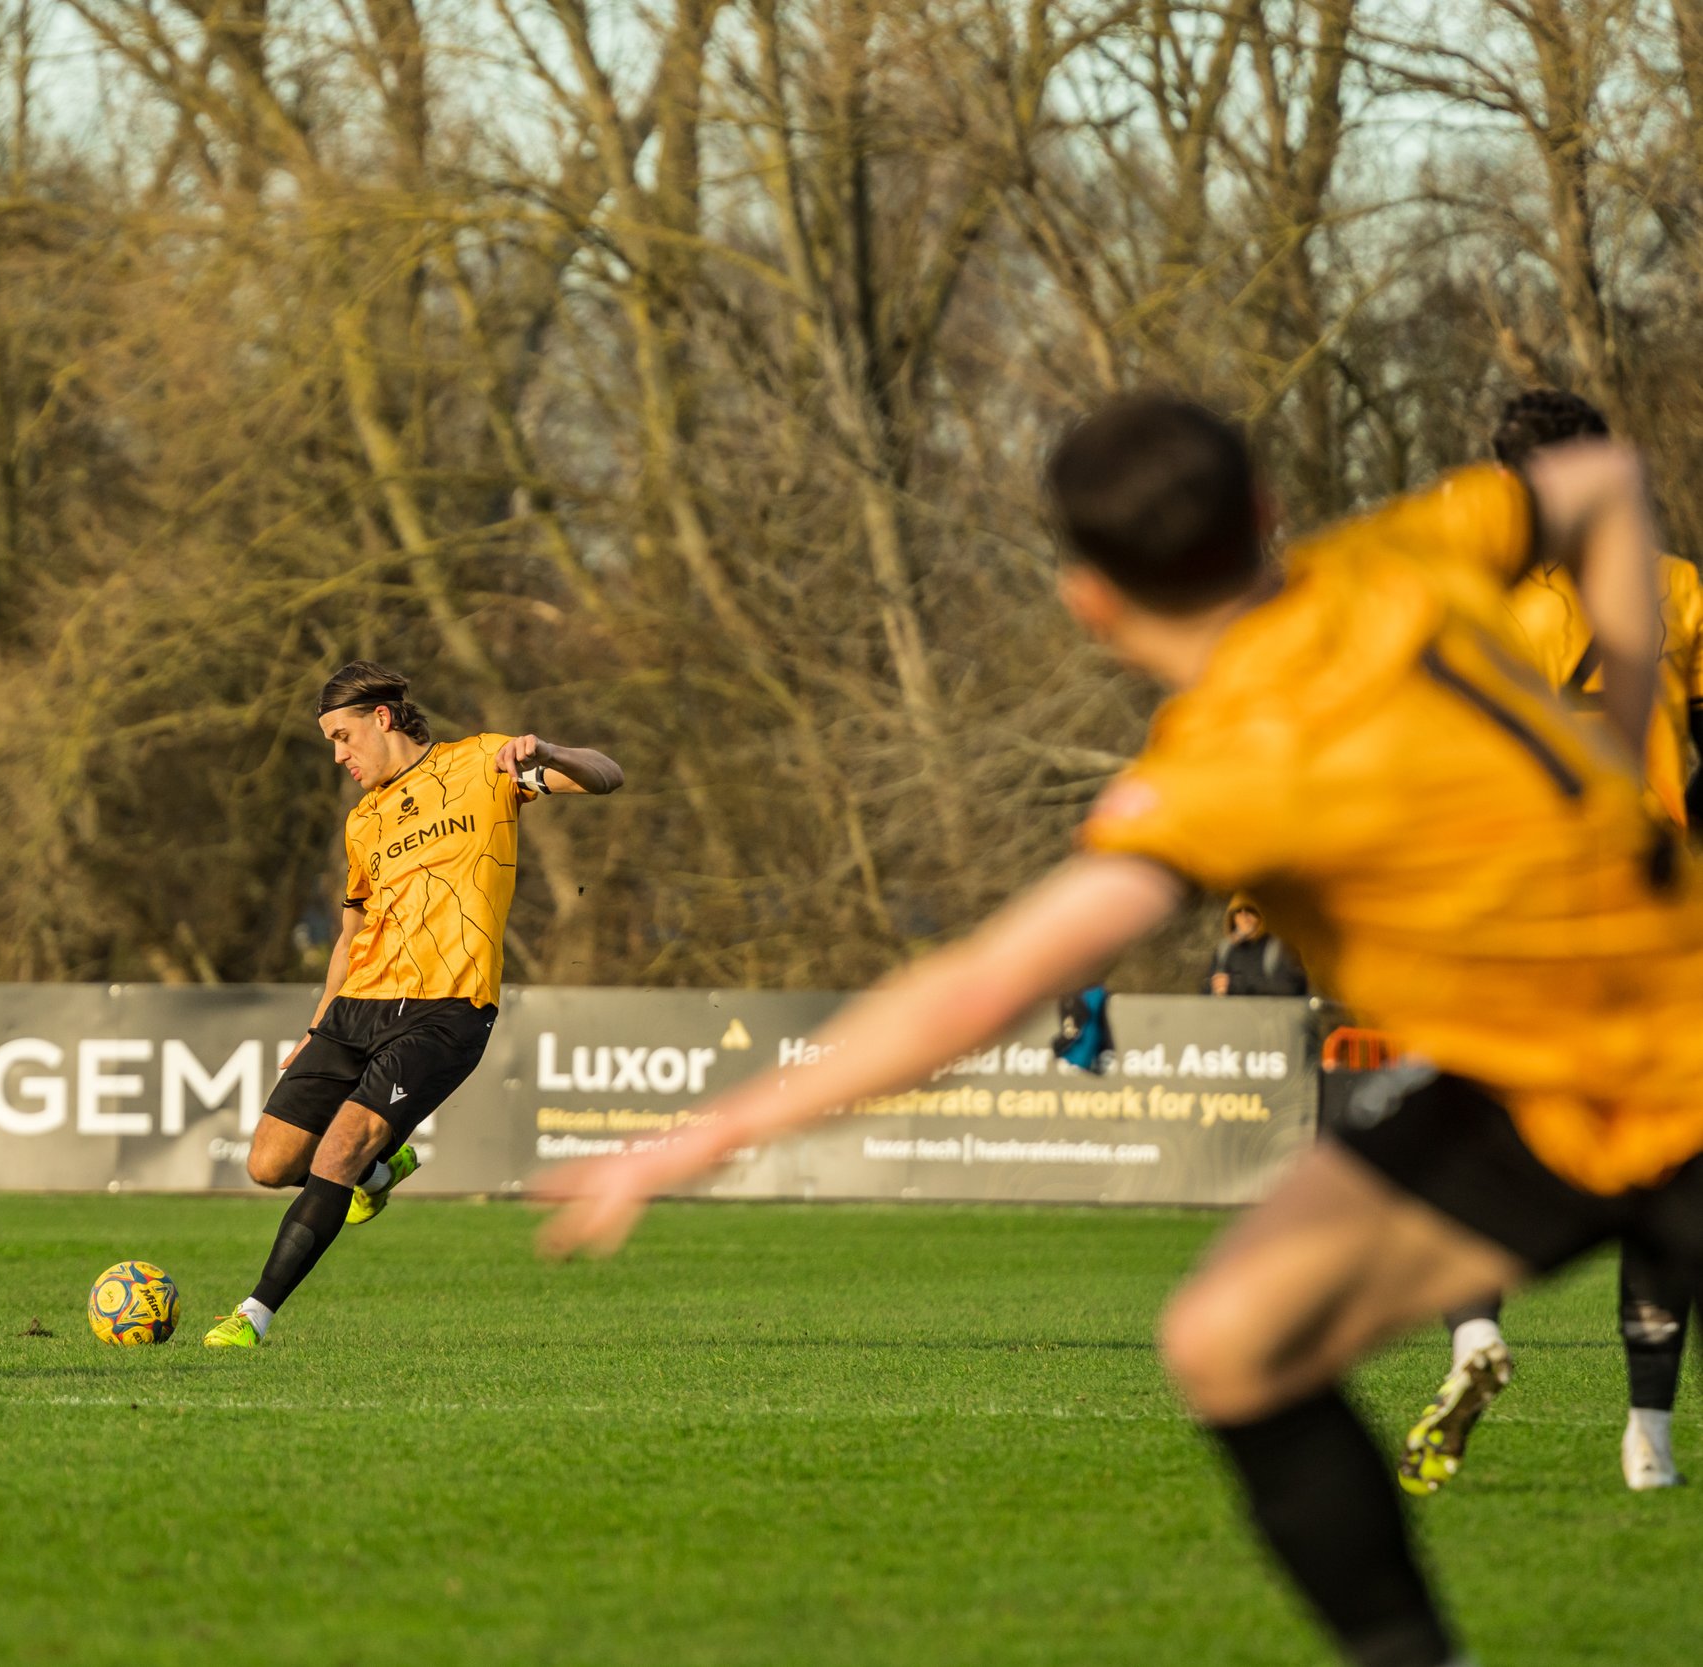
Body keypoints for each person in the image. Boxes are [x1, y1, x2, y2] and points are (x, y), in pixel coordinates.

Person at [540, 393, 1703, 1667]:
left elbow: (978, 991)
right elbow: (1598, 477)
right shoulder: (1396, 550)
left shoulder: (1227, 757)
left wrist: (699, 1134)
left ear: (1085, 598)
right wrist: (1629, 698)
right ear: (1266, 512)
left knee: (1235, 1341)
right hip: (1550, 1070)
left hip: (1628, 1068)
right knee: (1227, 1336)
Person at [1400, 388, 1703, 1495]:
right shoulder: (1673, 589)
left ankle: (1472, 1329)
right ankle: (1647, 1435)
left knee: (1459, 1134)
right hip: (1649, 915)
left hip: (1513, 913)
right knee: (1668, 1165)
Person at [202, 662, 622, 1348]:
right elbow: (350, 932)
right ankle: (379, 1171)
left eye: (342, 736)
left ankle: (253, 1314)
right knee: (270, 1164)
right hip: (357, 1004)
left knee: (338, 1147)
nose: (339, 755)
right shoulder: (363, 821)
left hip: (446, 1006)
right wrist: (316, 1025)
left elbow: (607, 774)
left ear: (383, 718)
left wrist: (547, 754)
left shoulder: (483, 765)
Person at [1207, 895, 1307, 997]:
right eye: (1238, 911)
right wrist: (1215, 987)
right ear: (1232, 918)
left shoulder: (1279, 948)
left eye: (1250, 911)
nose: (1244, 916)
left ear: (1261, 916)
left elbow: (1289, 988)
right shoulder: (1225, 949)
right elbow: (1206, 990)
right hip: (1231, 1011)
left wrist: (1234, 985)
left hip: (1269, 1011)